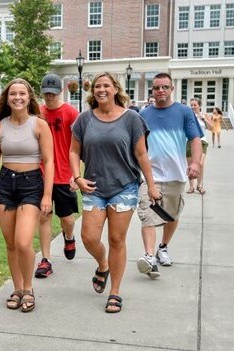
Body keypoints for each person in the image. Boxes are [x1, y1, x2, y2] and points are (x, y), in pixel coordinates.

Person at [70, 72, 161, 313]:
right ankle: (103, 264)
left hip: (124, 187)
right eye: (97, 86)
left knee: (116, 239)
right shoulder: (84, 119)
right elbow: (73, 152)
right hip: (94, 186)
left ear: (115, 89)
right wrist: (77, 177)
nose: (101, 90)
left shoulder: (131, 118)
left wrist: (151, 185)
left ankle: (115, 292)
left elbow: (142, 154)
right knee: (88, 237)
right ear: (93, 91)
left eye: (106, 86)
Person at [0, 78, 54, 312]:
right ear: (6, 99)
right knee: (10, 243)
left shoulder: (39, 125)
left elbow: (49, 162)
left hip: (32, 185)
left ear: (29, 98)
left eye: (22, 94)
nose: (17, 97)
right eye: (12, 94)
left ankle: (28, 289)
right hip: (5, 186)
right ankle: (17, 289)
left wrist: (47, 195)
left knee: (23, 242)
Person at [137, 73, 202, 279]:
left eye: (164, 87)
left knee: (171, 216)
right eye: (156, 88)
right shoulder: (144, 114)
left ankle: (162, 248)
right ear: (152, 91)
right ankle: (149, 258)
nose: (160, 91)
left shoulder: (184, 112)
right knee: (147, 213)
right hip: (150, 175)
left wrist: (195, 162)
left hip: (176, 174)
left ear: (172, 89)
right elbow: (138, 145)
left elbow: (195, 139)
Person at [34, 73, 79, 279]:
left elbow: (78, 147)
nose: (49, 98)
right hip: (41, 174)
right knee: (44, 215)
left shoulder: (71, 113)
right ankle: (46, 260)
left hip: (64, 175)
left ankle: (69, 237)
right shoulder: (37, 113)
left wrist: (75, 175)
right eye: (46, 94)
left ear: (60, 92)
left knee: (67, 219)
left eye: (53, 94)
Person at [186, 98, 212, 195]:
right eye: (191, 105)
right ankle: (191, 186)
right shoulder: (188, 116)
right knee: (190, 165)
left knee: (200, 164)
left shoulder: (204, 115)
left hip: (202, 141)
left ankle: (199, 185)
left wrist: (204, 119)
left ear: (199, 106)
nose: (192, 107)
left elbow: (211, 128)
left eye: (195, 105)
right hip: (189, 141)